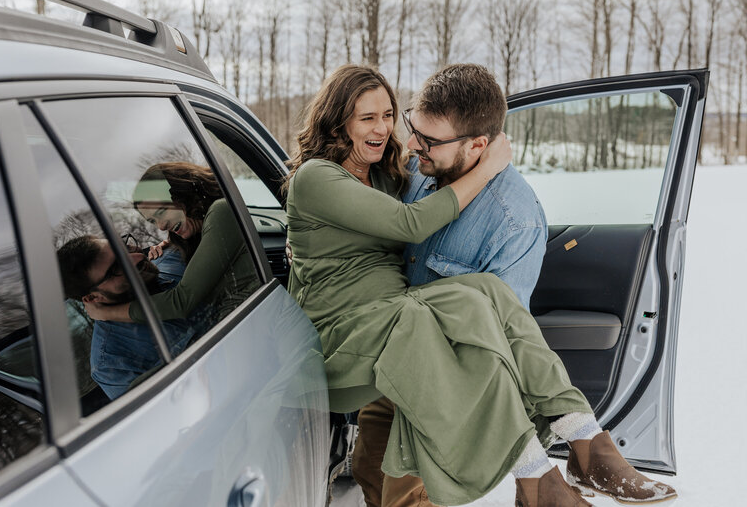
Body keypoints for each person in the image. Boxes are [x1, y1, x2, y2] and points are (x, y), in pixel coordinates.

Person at [285, 64, 676, 506]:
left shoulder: (410, 181)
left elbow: (497, 340)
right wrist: (486, 169)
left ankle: (585, 439)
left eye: (389, 115)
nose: (395, 134)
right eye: (368, 118)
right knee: (450, 310)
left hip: (408, 342)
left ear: (475, 144)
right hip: (352, 336)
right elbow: (409, 224)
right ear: (338, 121)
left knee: (487, 293)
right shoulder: (328, 176)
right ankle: (537, 479)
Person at [352, 63, 549, 507]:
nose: (411, 145)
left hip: (442, 389)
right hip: (389, 367)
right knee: (368, 473)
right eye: (413, 127)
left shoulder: (514, 223)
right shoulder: (421, 168)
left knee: (410, 498)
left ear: (480, 144)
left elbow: (497, 335)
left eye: (430, 140)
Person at [83, 162, 259, 327]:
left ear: (183, 195)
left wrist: (106, 313)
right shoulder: (201, 231)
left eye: (161, 212)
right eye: (153, 221)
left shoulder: (222, 211)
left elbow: (181, 301)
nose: (161, 226)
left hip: (256, 320)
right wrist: (173, 243)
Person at [57, 235, 199, 399]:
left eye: (125, 247)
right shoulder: (112, 363)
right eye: (116, 268)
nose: (138, 257)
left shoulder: (175, 257)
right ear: (92, 298)